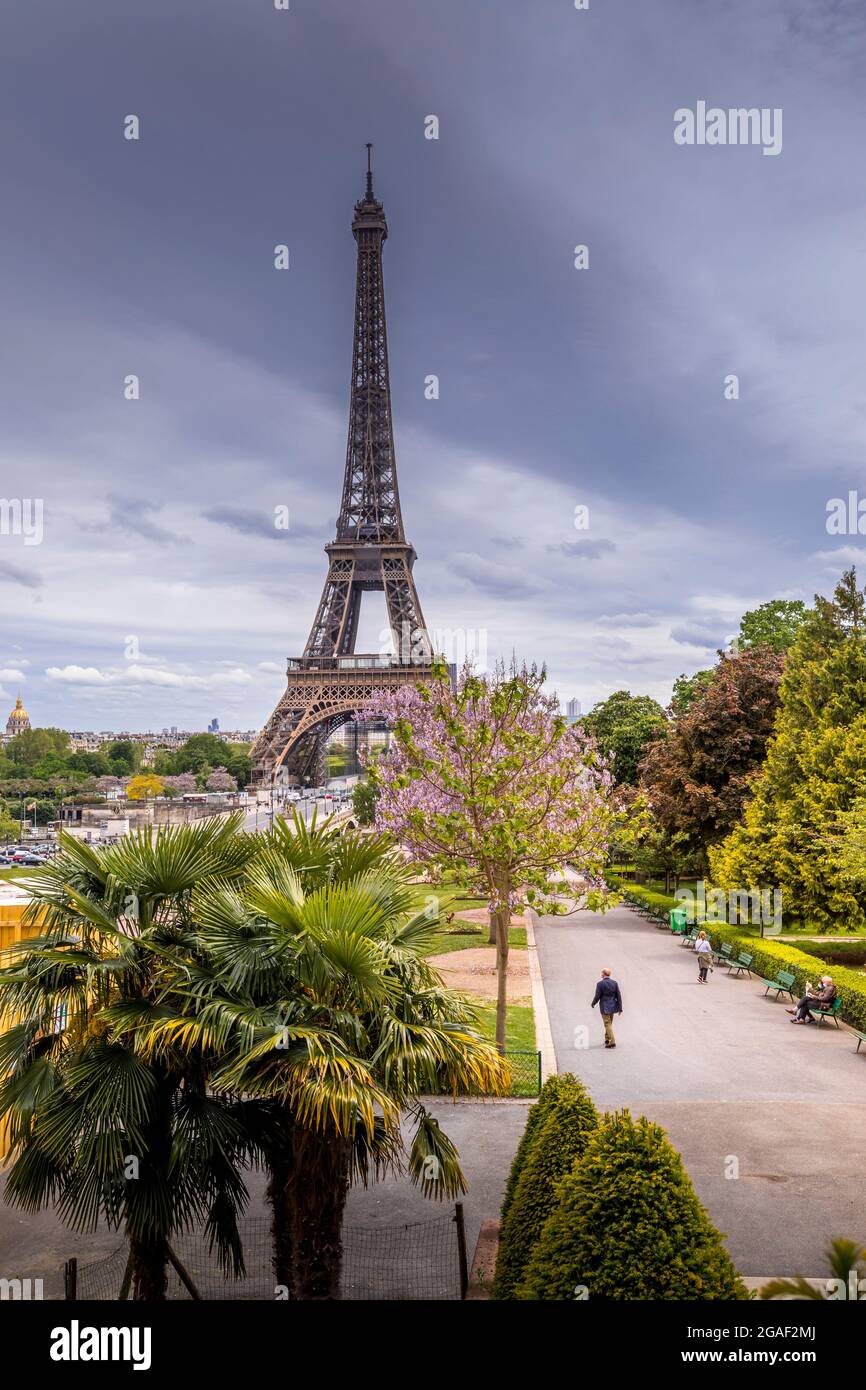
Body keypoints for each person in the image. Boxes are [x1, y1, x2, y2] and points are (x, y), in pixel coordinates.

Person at [591, 968, 623, 1049]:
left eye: (601, 973)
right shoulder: (614, 983)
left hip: (604, 1007)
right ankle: (607, 1038)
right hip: (612, 1007)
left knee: (607, 1024)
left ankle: (612, 1042)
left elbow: (597, 996)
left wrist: (593, 1003)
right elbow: (618, 996)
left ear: (603, 974)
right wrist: (620, 1008)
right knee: (609, 1023)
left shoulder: (600, 984)